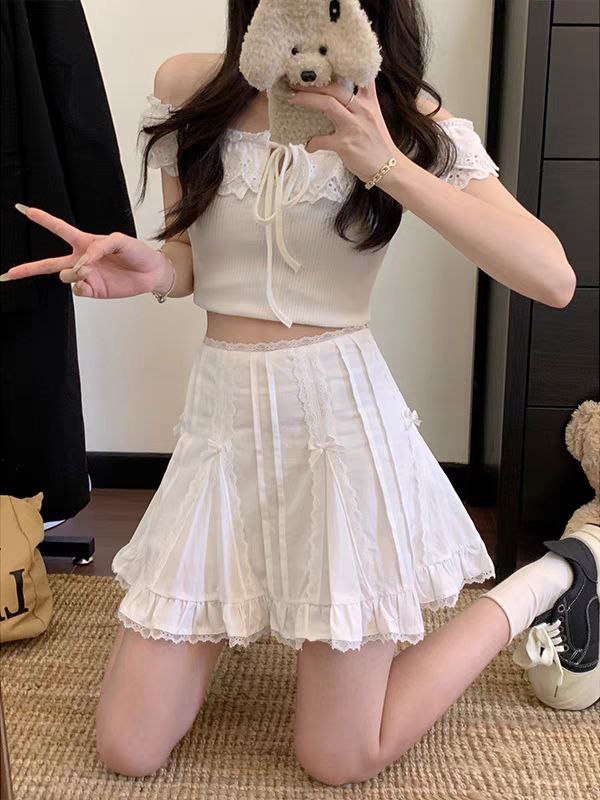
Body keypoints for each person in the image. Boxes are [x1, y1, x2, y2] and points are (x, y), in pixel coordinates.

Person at [4, 0, 597, 788]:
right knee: (127, 748)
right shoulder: (188, 90)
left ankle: (559, 574)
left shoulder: (400, 112)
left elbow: (553, 277)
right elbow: (188, 261)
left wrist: (384, 160)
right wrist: (154, 271)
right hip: (222, 433)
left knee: (338, 757)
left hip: (342, 436)